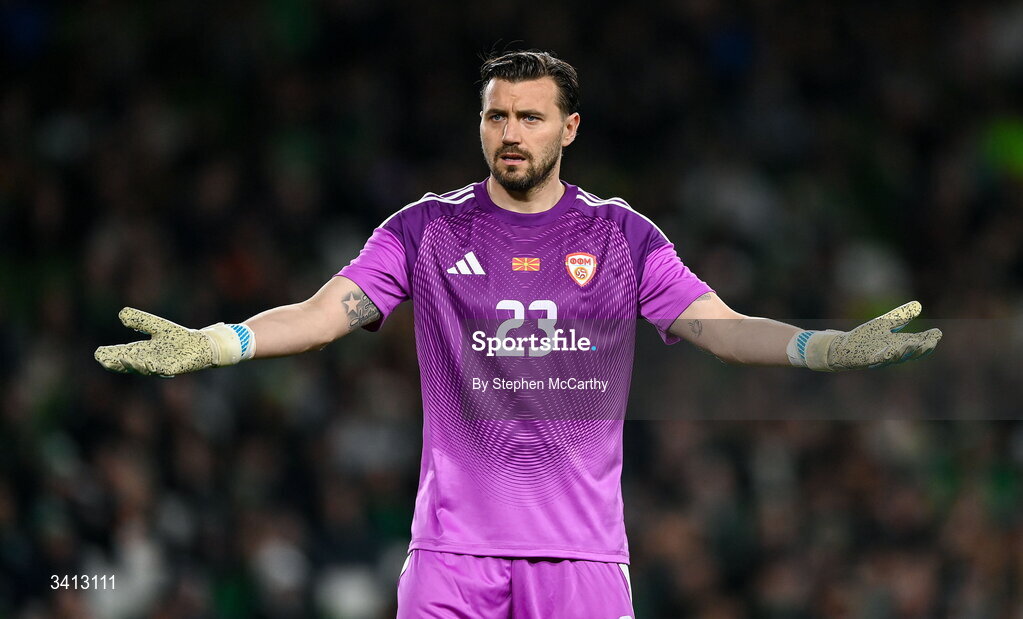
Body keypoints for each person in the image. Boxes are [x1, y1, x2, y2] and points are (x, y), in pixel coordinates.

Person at [95, 50, 942, 618]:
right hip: (451, 554)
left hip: (580, 559)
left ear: (568, 129)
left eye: (530, 117)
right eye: (496, 116)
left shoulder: (621, 236)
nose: (510, 133)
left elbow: (717, 327)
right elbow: (324, 313)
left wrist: (820, 347)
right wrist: (222, 342)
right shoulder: (426, 229)